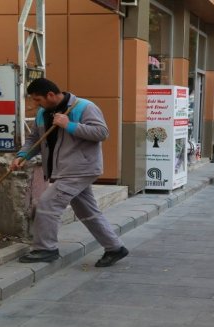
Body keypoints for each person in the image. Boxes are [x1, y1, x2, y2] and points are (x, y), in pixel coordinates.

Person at [10, 78, 128, 266]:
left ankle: (45, 249)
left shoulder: (84, 107)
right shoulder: (43, 112)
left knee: (48, 204)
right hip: (62, 170)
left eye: (38, 99)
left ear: (50, 95)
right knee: (87, 211)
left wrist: (69, 125)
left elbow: (101, 133)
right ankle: (115, 247)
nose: (35, 104)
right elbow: (35, 138)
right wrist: (23, 155)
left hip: (80, 169)